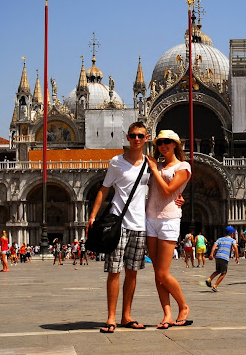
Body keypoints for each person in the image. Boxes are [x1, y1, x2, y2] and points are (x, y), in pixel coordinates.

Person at [87, 121, 152, 333]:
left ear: (146, 138)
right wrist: (93, 216)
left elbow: (162, 187)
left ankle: (126, 316)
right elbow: (104, 189)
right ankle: (111, 317)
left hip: (139, 225)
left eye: (140, 136)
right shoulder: (116, 162)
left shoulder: (150, 164)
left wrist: (178, 198)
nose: (136, 139)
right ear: (127, 137)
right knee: (114, 271)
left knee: (132, 273)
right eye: (133, 135)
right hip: (118, 222)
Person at [145, 129, 193, 329]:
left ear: (175, 144)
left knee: (163, 273)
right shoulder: (156, 165)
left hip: (169, 220)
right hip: (150, 219)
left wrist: (154, 169)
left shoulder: (183, 166)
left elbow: (167, 192)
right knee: (157, 274)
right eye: (159, 142)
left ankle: (183, 306)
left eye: (167, 141)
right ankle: (167, 314)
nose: (163, 145)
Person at [206, 226, 239, 292]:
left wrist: (211, 254)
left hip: (218, 256)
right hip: (224, 257)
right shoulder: (232, 240)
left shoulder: (220, 239)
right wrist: (237, 257)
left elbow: (214, 246)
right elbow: (235, 247)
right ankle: (215, 286)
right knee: (223, 273)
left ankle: (209, 279)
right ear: (232, 234)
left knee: (218, 270)